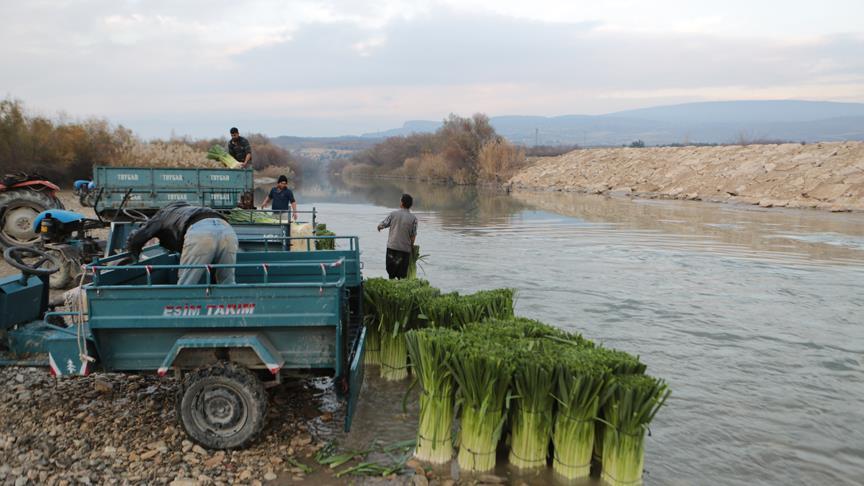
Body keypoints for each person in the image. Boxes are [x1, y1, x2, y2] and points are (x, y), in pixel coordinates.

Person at [126, 201, 239, 285]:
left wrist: (133, 255)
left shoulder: (164, 213)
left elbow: (140, 236)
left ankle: (182, 314)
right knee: (227, 282)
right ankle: (230, 312)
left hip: (200, 233)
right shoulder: (191, 210)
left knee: (186, 284)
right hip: (227, 230)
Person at [377, 193, 417, 280]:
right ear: (410, 205)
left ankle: (391, 285)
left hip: (392, 247)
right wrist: (411, 247)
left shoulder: (393, 214)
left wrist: (379, 227)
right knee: (402, 274)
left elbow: (383, 224)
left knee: (391, 272)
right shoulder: (413, 218)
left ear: (401, 203)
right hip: (404, 249)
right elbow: (413, 236)